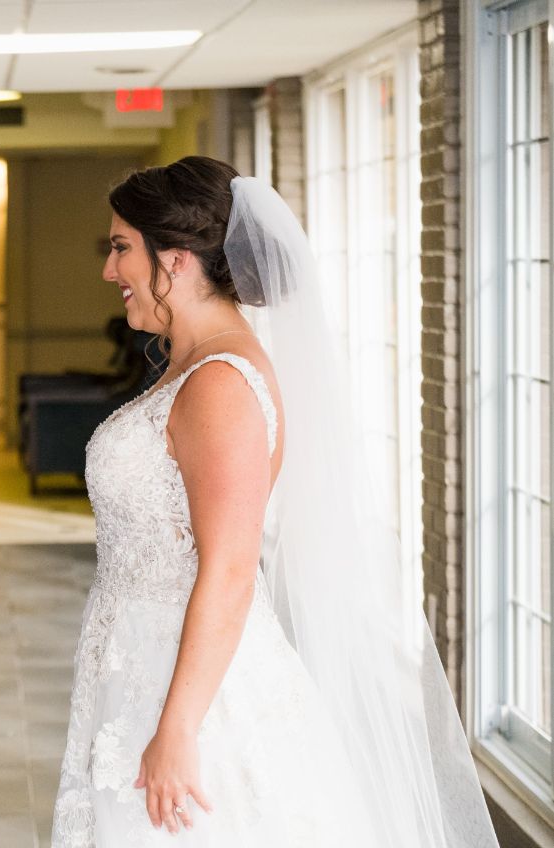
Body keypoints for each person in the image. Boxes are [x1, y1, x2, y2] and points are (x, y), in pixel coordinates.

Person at [52, 156, 498, 846]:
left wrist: (177, 729)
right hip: (139, 657)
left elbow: (229, 570)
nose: (109, 271)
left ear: (174, 259)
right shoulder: (191, 365)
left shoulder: (220, 384)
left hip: (193, 686)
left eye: (119, 249)